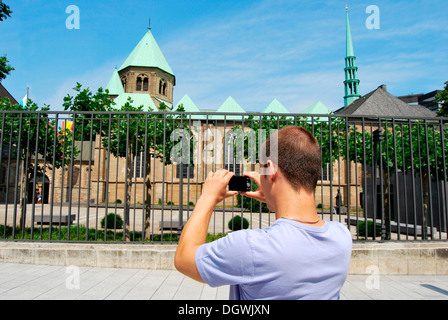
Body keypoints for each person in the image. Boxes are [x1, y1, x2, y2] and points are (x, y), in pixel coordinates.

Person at [174, 126, 352, 300]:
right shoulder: (341, 236)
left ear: (271, 169)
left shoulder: (252, 247)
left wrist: (207, 198)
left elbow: (184, 258)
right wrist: (272, 195)